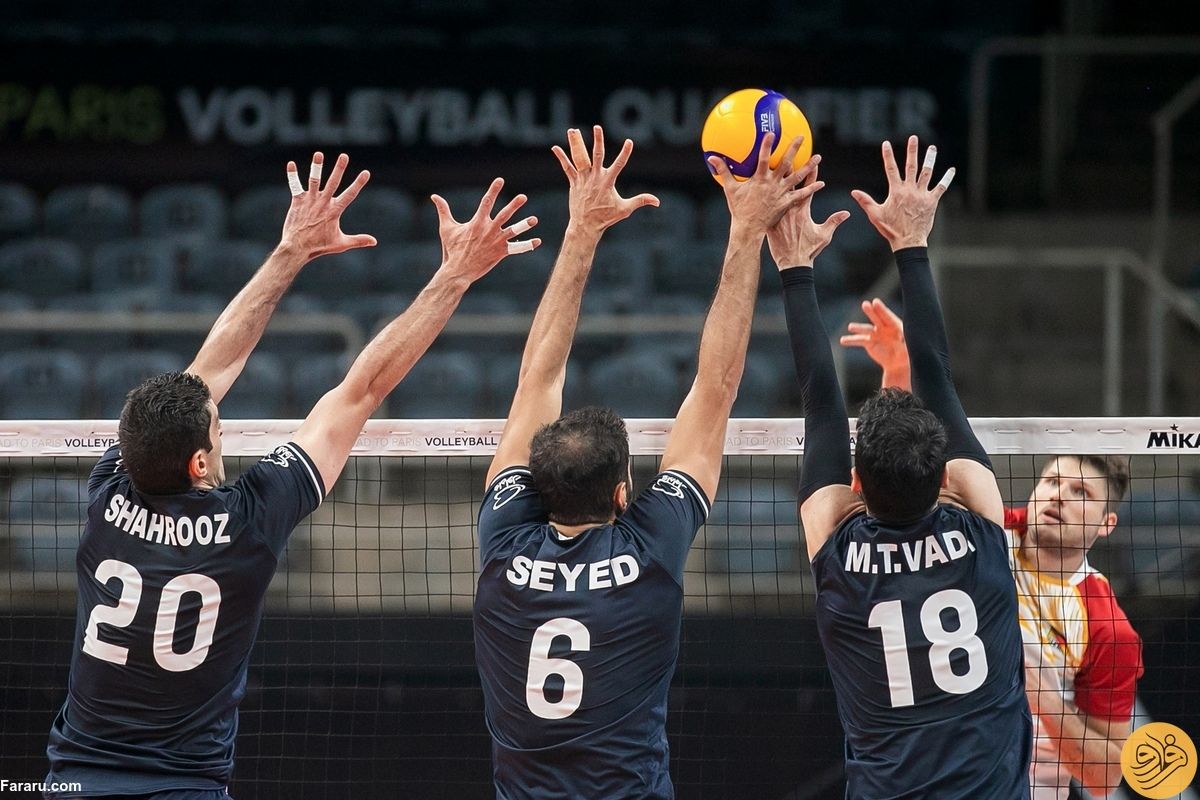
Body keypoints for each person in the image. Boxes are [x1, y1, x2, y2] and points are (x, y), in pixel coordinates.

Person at [44, 153, 540, 799]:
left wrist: (291, 250)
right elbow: (362, 389)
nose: (220, 426)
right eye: (217, 429)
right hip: (184, 787)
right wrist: (455, 274)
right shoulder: (247, 523)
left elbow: (203, 377)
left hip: (71, 781)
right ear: (199, 462)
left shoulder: (108, 489)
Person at [473, 126, 819, 798]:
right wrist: (745, 231)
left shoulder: (501, 542)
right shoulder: (651, 550)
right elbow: (716, 387)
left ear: (536, 485)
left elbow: (537, 379)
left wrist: (581, 231)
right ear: (622, 495)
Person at [777, 135, 1032, 797]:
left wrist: (796, 267)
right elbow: (925, 379)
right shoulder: (979, 527)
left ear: (856, 483)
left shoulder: (840, 548)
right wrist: (910, 244)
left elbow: (820, 403)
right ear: (945, 476)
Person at [841, 300, 1144, 799]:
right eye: (1053, 481)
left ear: (1106, 524)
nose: (1058, 497)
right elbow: (899, 480)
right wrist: (897, 368)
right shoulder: (984, 530)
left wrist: (1036, 688)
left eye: (1081, 494)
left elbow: (1105, 777)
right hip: (929, 774)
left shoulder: (1107, 626)